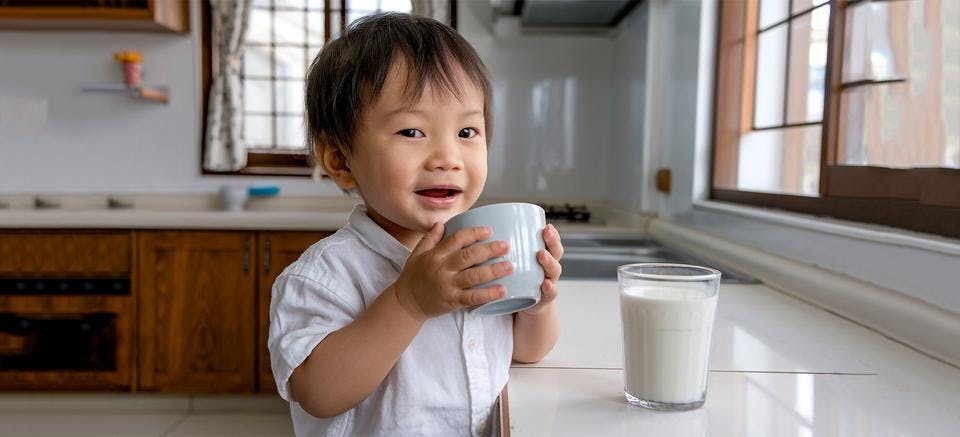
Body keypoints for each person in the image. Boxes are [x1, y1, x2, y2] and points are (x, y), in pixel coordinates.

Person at [268, 12, 564, 436]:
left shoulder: (478, 253)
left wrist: (538, 303)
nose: (447, 156)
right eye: (411, 131)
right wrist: (409, 303)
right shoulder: (323, 277)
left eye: (466, 131)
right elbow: (318, 393)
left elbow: (528, 352)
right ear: (340, 160)